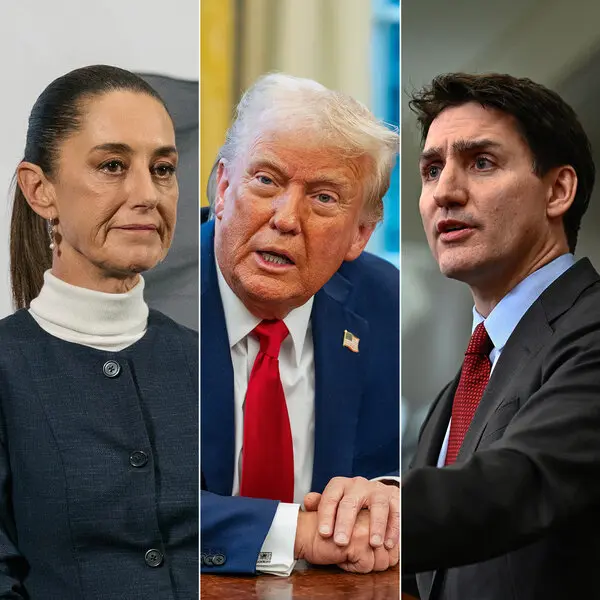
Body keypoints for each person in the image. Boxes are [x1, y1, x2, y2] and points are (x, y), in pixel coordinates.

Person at [402, 72, 600, 600]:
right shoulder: (460, 387)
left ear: (558, 190)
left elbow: (520, 483)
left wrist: (362, 511)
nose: (444, 192)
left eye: (481, 162)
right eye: (431, 169)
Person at [3, 65, 198, 599]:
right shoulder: (6, 367)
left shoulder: (207, 363)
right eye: (112, 165)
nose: (147, 194)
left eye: (163, 168)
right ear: (40, 190)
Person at [200, 73, 400, 576]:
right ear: (223, 188)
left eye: (323, 198)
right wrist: (297, 532)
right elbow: (129, 500)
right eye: (265, 180)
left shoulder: (382, 302)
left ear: (360, 234)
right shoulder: (154, 288)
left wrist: (387, 500)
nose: (286, 218)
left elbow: (409, 461)